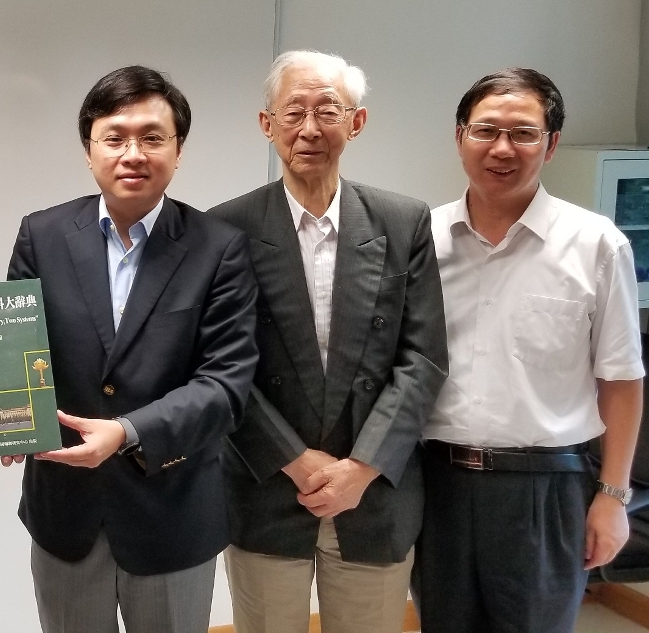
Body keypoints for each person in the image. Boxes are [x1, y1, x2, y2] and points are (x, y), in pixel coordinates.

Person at [6, 65, 259, 633]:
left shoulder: (218, 249)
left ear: (178, 149)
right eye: (114, 137)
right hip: (65, 514)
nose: (133, 153)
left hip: (172, 512)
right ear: (88, 149)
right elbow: (16, 357)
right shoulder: (41, 236)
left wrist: (127, 431)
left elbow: (225, 385)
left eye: (152, 137)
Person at [209, 50, 448, 633]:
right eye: (293, 113)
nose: (310, 129)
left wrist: (360, 468)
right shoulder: (225, 229)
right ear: (268, 126)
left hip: (374, 490)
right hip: (266, 485)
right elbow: (221, 364)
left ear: (356, 123)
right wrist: (295, 461)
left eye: (327, 111)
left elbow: (422, 358)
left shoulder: (403, 221)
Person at [416, 67, 643, 633]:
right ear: (459, 136)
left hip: (547, 489)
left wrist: (613, 497)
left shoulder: (596, 244)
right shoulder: (420, 238)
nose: (502, 148)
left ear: (552, 143)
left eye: (523, 133)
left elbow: (621, 380)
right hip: (436, 482)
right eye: (485, 130)